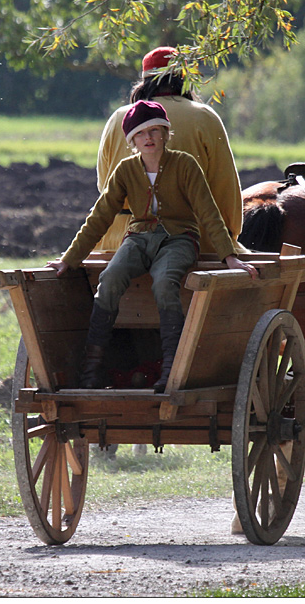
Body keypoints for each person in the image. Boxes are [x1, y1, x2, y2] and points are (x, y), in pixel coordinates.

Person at [48, 100, 257, 392]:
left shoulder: (185, 164)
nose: (149, 138)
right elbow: (101, 215)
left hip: (179, 238)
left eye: (155, 131)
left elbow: (208, 212)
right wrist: (69, 259)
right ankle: (92, 371)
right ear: (132, 140)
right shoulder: (125, 170)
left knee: (164, 281)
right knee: (109, 279)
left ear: (165, 134)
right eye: (141, 134)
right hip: (138, 238)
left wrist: (229, 257)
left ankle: (171, 368)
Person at [95, 46, 245, 255]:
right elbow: (225, 190)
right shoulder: (204, 117)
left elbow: (105, 186)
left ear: (145, 81)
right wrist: (231, 234)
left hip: (119, 242)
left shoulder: (118, 118)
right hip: (192, 240)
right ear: (183, 79)